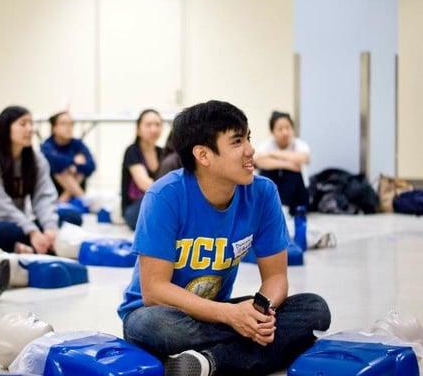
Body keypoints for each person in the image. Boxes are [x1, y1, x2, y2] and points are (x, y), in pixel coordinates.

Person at [117, 101, 331, 376]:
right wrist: (231, 317)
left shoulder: (263, 193)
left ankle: (208, 363)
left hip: (217, 315)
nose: (251, 150)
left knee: (314, 308)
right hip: (161, 313)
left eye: (249, 138)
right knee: (150, 326)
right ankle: (265, 350)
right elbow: (155, 291)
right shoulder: (165, 196)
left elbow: (277, 278)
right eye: (237, 141)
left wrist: (259, 313)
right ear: (203, 155)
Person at [0, 106, 80, 255]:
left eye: (31, 123)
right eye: (23, 124)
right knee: (4, 232)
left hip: (21, 224)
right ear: (5, 128)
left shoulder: (37, 160)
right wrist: (32, 231)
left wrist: (50, 228)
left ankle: (34, 244)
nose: (30, 129)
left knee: (71, 217)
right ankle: (37, 244)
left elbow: (44, 198)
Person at [254, 111, 310, 214]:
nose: (285, 132)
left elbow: (304, 158)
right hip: (275, 195)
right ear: (272, 131)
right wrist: (287, 164)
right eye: (280, 129)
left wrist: (272, 155)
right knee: (267, 171)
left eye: (288, 128)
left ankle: (284, 208)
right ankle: (271, 208)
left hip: (297, 196)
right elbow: (258, 160)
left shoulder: (299, 144)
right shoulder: (267, 144)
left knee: (292, 173)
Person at [120, 109, 163, 230]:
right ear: (138, 129)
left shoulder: (162, 152)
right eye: (148, 125)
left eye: (157, 124)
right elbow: (145, 184)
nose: (153, 129)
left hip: (157, 204)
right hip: (134, 209)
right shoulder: (132, 151)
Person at [41, 111, 96, 202]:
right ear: (54, 128)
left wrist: (73, 166)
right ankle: (84, 201)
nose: (68, 127)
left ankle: (64, 200)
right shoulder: (47, 146)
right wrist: (74, 162)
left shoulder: (78, 144)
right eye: (64, 124)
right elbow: (53, 162)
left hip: (72, 198)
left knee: (78, 172)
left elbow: (91, 166)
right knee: (61, 170)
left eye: (71, 124)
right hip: (52, 196)